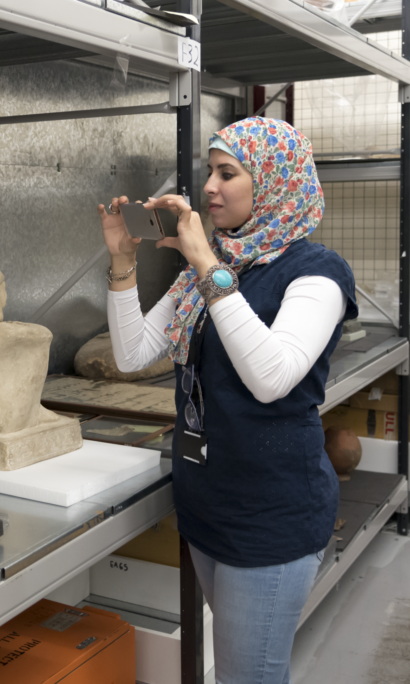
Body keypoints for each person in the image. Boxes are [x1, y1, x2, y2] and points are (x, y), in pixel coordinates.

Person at [98, 117, 357, 684]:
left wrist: (207, 265)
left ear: (272, 183)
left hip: (270, 516)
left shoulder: (315, 272)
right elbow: (134, 354)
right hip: (206, 503)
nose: (209, 187)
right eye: (209, 172)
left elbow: (272, 376)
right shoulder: (210, 267)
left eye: (227, 173)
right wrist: (123, 259)